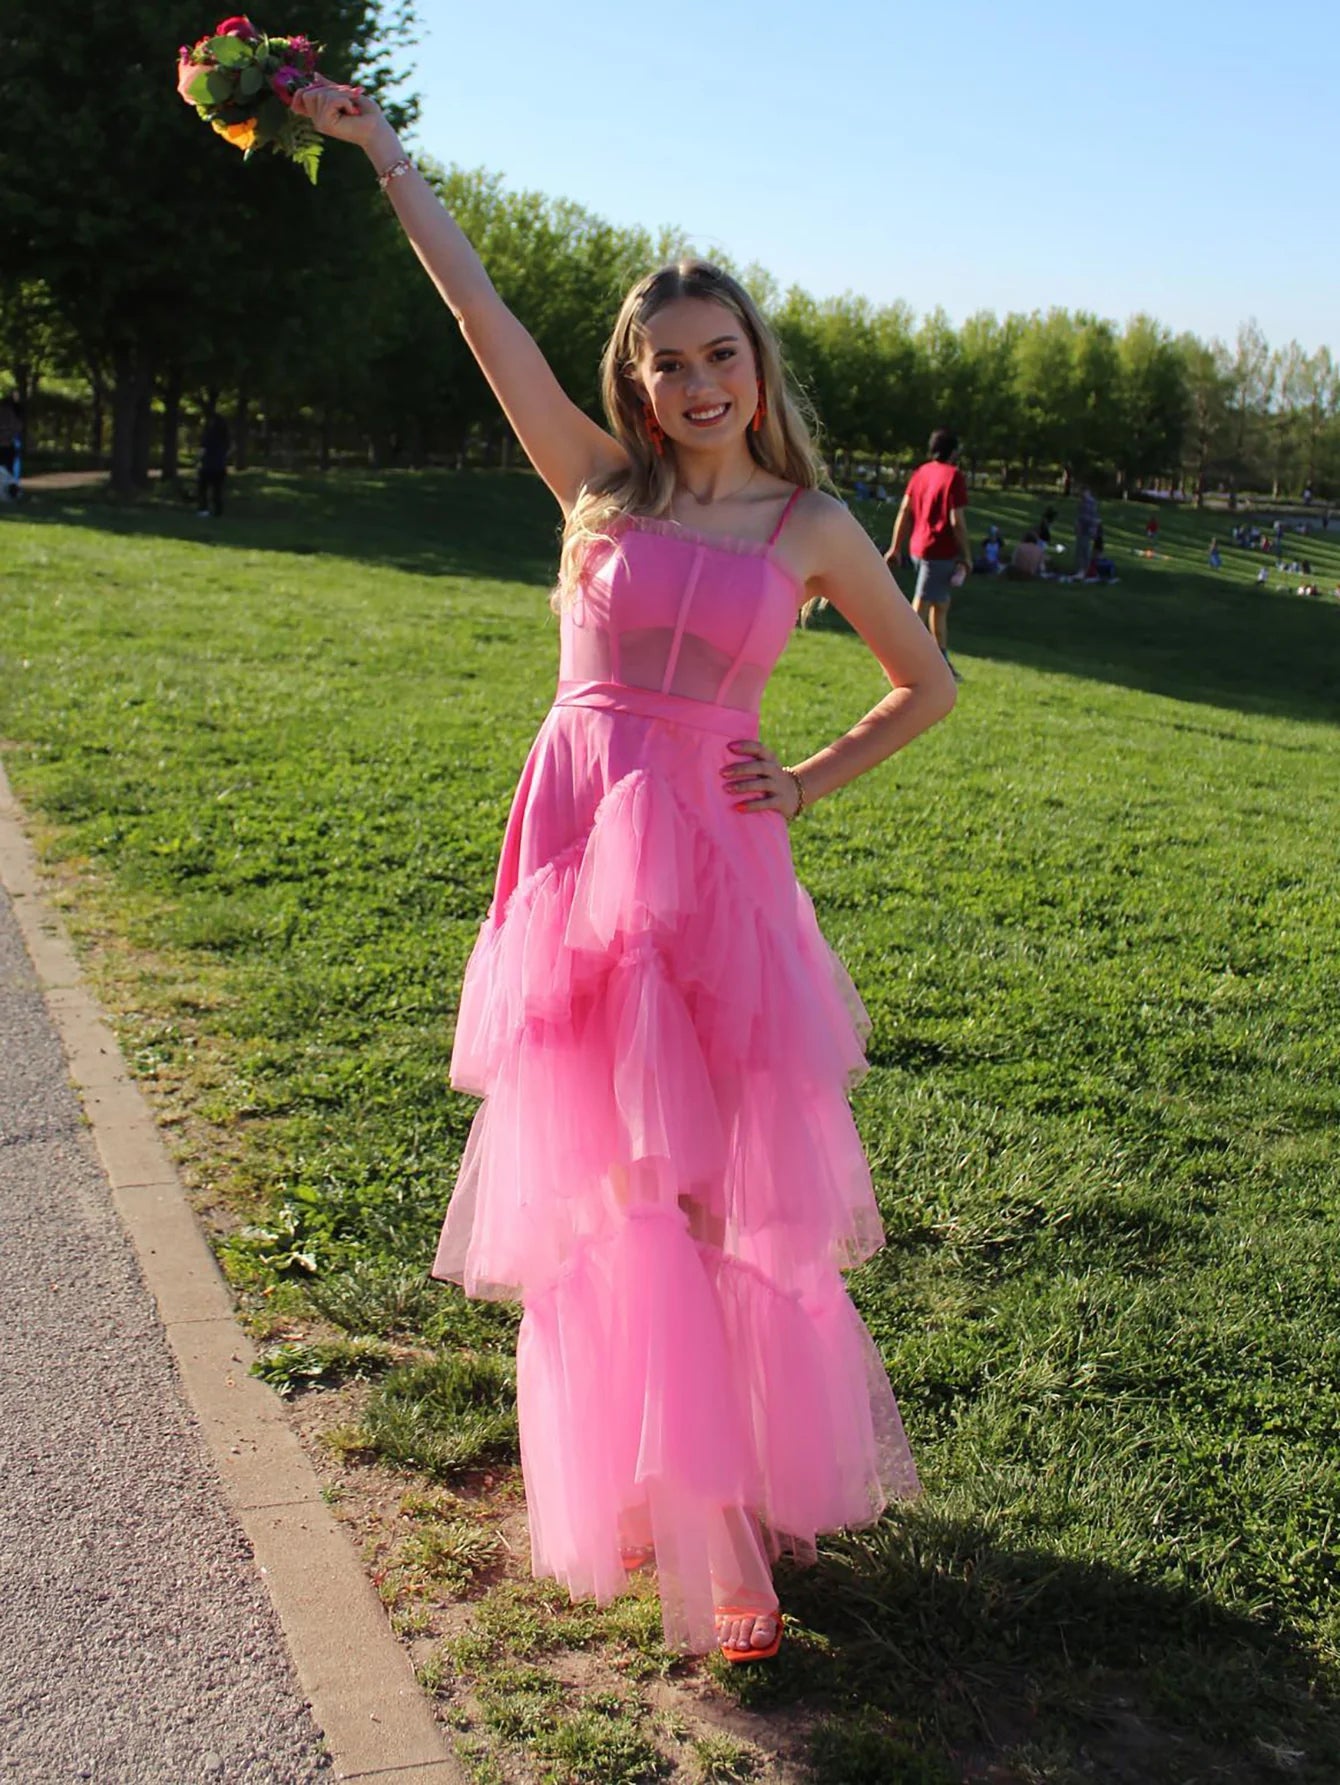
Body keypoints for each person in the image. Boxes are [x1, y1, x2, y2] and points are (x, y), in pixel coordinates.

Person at [293, 78, 953, 1666]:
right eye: (667, 362)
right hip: (581, 858)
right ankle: (700, 1529)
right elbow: (477, 312)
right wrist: (387, 156)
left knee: (725, 1201)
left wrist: (802, 775)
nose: (697, 381)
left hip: (719, 874)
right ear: (634, 382)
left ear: (757, 366)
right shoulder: (597, 487)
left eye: (722, 354)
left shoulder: (812, 524)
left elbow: (924, 684)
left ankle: (731, 1479)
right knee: (616, 1192)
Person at [884, 428, 971, 679]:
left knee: (940, 604)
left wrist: (895, 546)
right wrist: (966, 555)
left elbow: (904, 511)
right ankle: (897, 661)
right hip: (939, 550)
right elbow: (957, 521)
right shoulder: (953, 476)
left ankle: (941, 661)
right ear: (953, 451)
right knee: (921, 605)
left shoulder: (921, 472)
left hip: (918, 548)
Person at [196, 410, 231, 517]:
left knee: (203, 489)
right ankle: (218, 511)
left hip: (208, 466)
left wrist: (198, 460)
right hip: (220, 466)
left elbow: (203, 450)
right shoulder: (225, 436)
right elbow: (229, 450)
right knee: (218, 491)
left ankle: (204, 510)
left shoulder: (209, 434)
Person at [1074, 485, 1099, 579]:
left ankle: (1083, 570)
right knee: (1081, 549)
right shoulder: (1083, 502)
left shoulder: (1089, 503)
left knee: (1084, 549)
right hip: (1083, 529)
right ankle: (1081, 569)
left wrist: (1093, 529)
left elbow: (1091, 517)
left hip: (1086, 529)